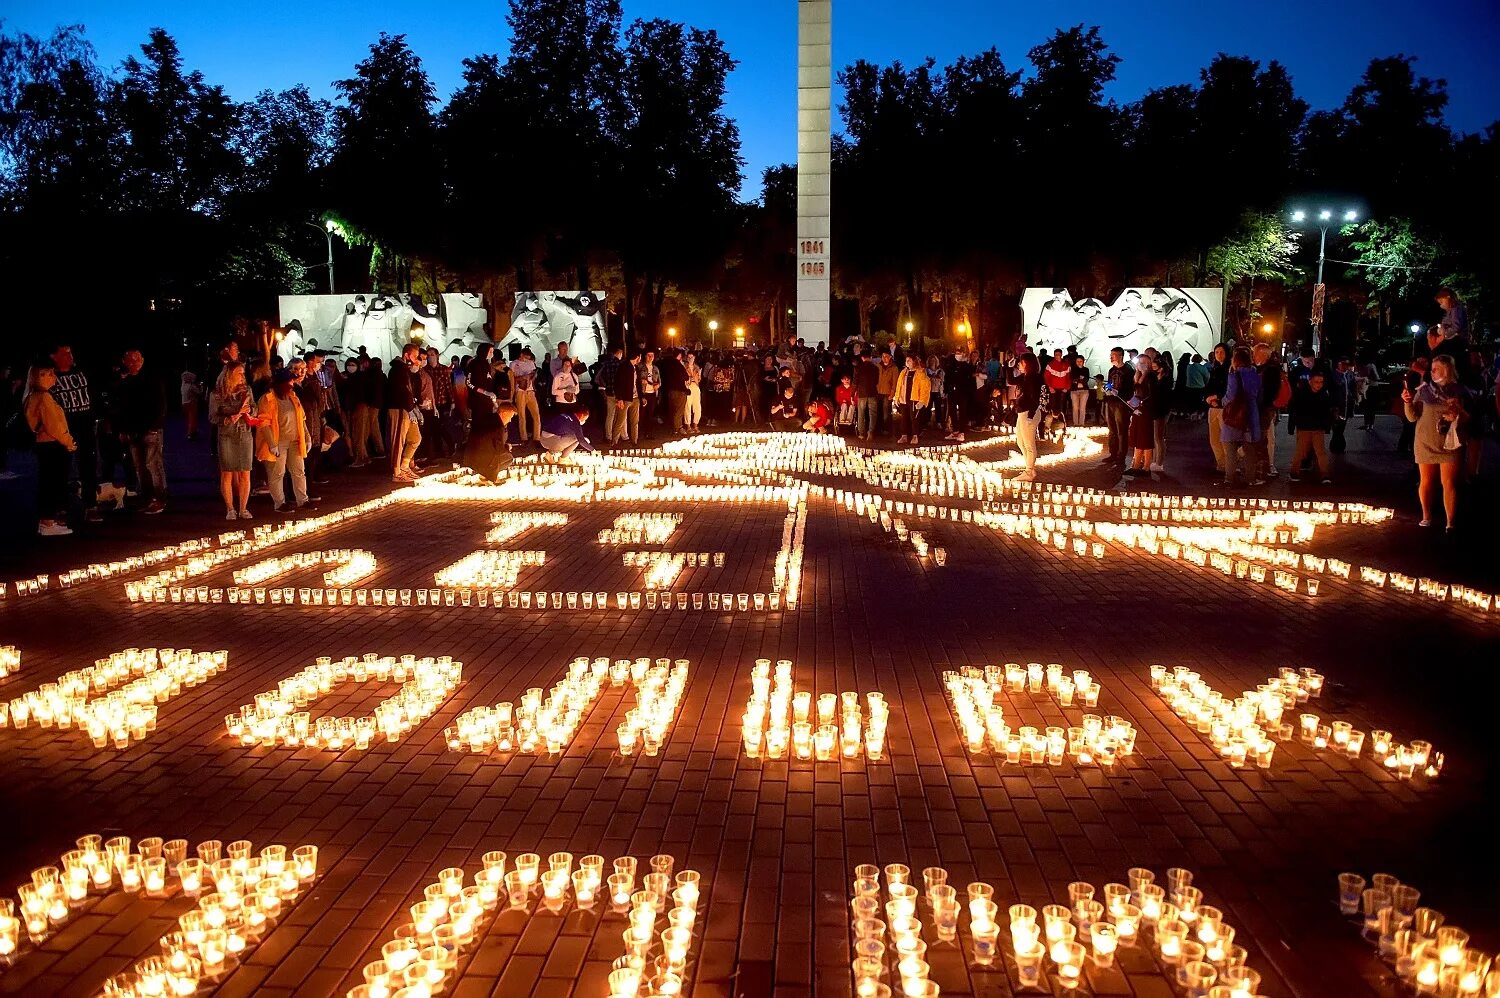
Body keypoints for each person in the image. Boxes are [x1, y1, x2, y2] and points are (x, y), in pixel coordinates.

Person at [1403, 354, 1469, 530]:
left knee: (1449, 482)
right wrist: (1407, 402)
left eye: (1435, 369)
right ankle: (1426, 515)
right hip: (1426, 442)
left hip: (1450, 442)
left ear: (1446, 370)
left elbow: (1468, 417)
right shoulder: (1424, 390)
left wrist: (1457, 414)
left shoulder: (1459, 391)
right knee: (1426, 481)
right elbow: (1411, 417)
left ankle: (1450, 522)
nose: (1431, 372)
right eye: (1431, 369)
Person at [48, 342, 101, 523]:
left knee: (88, 465)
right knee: (61, 469)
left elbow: (94, 392)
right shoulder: (50, 377)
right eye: (64, 354)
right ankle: (60, 508)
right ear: (54, 356)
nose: (70, 357)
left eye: (71, 353)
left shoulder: (81, 371)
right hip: (64, 427)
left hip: (85, 424)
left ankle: (91, 504)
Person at [23, 362, 77, 536]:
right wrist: (68, 441)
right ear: (39, 377)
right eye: (49, 374)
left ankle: (46, 522)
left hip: (44, 446)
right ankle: (48, 523)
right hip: (52, 445)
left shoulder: (33, 396)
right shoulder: (44, 397)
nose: (54, 376)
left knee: (48, 482)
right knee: (52, 484)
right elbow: (54, 425)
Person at [113, 349, 169, 514]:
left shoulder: (152, 380)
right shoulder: (125, 382)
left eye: (136, 359)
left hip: (150, 429)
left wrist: (154, 426)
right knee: (140, 467)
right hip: (133, 430)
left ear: (142, 360)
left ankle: (159, 498)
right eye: (129, 360)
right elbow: (122, 407)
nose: (133, 363)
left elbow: (160, 405)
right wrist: (123, 429)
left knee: (152, 464)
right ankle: (147, 498)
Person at [256, 368, 310, 513]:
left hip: (295, 441)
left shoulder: (293, 397)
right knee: (277, 473)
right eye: (290, 380)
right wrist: (272, 444)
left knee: (299, 471)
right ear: (282, 383)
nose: (293, 383)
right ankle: (279, 503)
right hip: (278, 442)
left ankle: (302, 500)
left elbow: (302, 419)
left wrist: (307, 436)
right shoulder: (267, 399)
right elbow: (264, 423)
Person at [210, 361, 256, 519]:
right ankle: (230, 508)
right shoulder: (217, 394)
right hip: (227, 435)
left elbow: (255, 407)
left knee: (245, 472)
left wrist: (250, 410)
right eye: (239, 373)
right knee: (227, 472)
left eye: (244, 373)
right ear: (229, 375)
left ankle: (243, 508)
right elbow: (212, 417)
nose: (243, 376)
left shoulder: (247, 390)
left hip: (244, 434)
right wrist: (230, 417)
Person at [1221, 347, 1264, 486]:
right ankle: (1250, 478)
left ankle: (1229, 478)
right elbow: (1259, 395)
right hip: (1250, 414)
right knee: (1250, 450)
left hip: (1235, 413)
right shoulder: (1255, 375)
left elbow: (1230, 396)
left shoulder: (1234, 375)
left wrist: (1223, 402)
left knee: (1230, 449)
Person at [1287, 369, 1335, 484]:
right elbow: (1294, 410)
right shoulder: (1302, 393)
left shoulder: (1323, 394)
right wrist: (1292, 425)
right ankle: (1294, 472)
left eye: (1321, 382)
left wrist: (1327, 425)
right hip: (1305, 427)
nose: (1319, 385)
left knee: (1320, 451)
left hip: (1317, 427)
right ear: (1310, 381)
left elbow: (1326, 412)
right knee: (1301, 451)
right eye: (1316, 382)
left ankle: (1324, 474)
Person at [384, 344, 422, 481]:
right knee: (398, 440)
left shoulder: (405, 370)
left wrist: (414, 408)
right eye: (415, 356)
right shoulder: (397, 370)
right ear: (407, 355)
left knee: (415, 438)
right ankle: (396, 472)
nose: (416, 359)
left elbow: (410, 390)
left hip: (407, 408)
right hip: (399, 408)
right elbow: (401, 390)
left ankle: (405, 466)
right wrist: (410, 408)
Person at [290, 358, 327, 500]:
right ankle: (296, 493)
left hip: (314, 427)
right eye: (296, 369)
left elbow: (319, 405)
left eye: (302, 369)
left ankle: (309, 489)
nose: (300, 373)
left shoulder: (311, 385)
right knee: (298, 465)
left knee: (311, 462)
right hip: (298, 429)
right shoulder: (290, 388)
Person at [1253, 342, 1285, 479]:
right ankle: (1263, 468)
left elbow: (1269, 391)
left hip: (1264, 408)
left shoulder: (1269, 370)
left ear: (1262, 354)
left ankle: (1264, 468)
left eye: (1255, 354)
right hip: (1265, 407)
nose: (1253, 357)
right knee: (1263, 438)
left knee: (1263, 438)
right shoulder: (1268, 368)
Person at [1012, 353, 1045, 481]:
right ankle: (1029, 469)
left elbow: (1034, 398)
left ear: (1027, 363)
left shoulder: (1033, 378)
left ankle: (1029, 471)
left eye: (1021, 362)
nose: (1019, 364)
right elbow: (1010, 381)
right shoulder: (1024, 377)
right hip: (1022, 413)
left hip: (1028, 413)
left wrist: (1030, 415)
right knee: (1020, 442)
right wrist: (1009, 366)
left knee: (1029, 444)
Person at [1101, 347, 1134, 468]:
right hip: (1110, 402)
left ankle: (1121, 456)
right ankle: (1112, 454)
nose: (1111, 357)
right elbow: (1110, 382)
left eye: (1113, 355)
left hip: (1121, 403)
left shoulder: (1128, 370)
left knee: (1121, 430)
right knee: (1112, 429)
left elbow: (1130, 388)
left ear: (1120, 356)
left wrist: (1119, 393)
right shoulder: (1111, 370)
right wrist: (1106, 388)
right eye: (1110, 355)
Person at [1126, 358, 1156, 477]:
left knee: (1145, 438)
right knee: (1137, 438)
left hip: (1146, 411)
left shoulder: (1150, 377)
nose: (1140, 365)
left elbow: (1152, 395)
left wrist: (1141, 404)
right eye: (1139, 362)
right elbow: (1135, 393)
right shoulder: (1136, 377)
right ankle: (1136, 465)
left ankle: (1146, 467)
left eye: (1143, 363)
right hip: (1137, 410)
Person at [893, 355, 931, 445]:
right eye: (906, 360)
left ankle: (915, 436)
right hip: (904, 399)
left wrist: (922, 400)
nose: (907, 362)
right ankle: (904, 435)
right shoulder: (903, 372)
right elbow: (899, 385)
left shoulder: (920, 373)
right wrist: (897, 397)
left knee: (914, 418)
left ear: (914, 362)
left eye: (909, 360)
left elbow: (925, 388)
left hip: (914, 399)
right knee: (904, 418)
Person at [511, 348, 542, 441]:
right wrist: (522, 378)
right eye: (525, 356)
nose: (526, 359)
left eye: (528, 357)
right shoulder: (513, 364)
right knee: (522, 416)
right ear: (521, 355)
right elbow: (512, 378)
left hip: (530, 391)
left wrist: (531, 377)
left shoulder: (531, 363)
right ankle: (523, 438)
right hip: (520, 391)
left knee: (536, 415)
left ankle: (537, 438)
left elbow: (533, 376)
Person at [612, 352, 642, 446]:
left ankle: (634, 441)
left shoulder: (635, 368)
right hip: (625, 398)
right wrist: (619, 398)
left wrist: (641, 396)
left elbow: (638, 383)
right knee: (620, 420)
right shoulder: (624, 366)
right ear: (637, 357)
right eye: (640, 357)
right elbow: (618, 382)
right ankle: (614, 442)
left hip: (635, 397)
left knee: (635, 421)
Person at [597, 344, 624, 443]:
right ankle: (621, 435)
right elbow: (621, 379)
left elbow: (602, 378)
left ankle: (608, 436)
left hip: (609, 392)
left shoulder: (606, 364)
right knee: (621, 416)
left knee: (610, 416)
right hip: (618, 393)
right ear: (619, 353)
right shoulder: (620, 364)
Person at [853, 350, 881, 441]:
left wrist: (852, 393)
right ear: (870, 357)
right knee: (873, 414)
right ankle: (871, 432)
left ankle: (861, 433)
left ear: (862, 357)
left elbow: (855, 382)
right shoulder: (875, 368)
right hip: (872, 392)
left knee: (861, 414)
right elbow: (877, 381)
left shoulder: (858, 368)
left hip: (862, 393)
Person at [661, 348, 689, 434]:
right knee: (679, 410)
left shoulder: (666, 364)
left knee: (672, 409)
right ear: (680, 355)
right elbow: (686, 376)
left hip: (670, 390)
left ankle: (673, 426)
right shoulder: (678, 365)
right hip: (680, 390)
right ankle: (677, 427)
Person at [638, 349, 662, 438]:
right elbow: (636, 379)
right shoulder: (640, 367)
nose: (650, 357)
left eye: (652, 356)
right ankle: (637, 433)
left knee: (650, 414)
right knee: (641, 414)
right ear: (645, 356)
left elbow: (660, 381)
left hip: (652, 393)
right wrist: (641, 381)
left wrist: (658, 385)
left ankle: (648, 433)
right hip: (643, 392)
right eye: (649, 355)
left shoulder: (655, 368)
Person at [875, 352, 898, 436]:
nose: (885, 358)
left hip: (887, 393)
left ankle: (886, 428)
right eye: (883, 356)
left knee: (886, 412)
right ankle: (878, 428)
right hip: (878, 392)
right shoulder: (878, 366)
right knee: (878, 411)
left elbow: (894, 382)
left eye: (887, 356)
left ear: (890, 357)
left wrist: (892, 393)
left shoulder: (894, 368)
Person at [1044, 349, 1071, 418]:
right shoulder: (1050, 365)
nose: (1057, 356)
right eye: (1056, 355)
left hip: (1063, 389)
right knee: (1053, 405)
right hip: (1053, 389)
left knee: (1062, 405)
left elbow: (1069, 377)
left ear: (1061, 355)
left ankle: (1062, 420)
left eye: (1058, 355)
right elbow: (1046, 377)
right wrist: (1050, 387)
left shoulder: (1066, 365)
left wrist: (1067, 387)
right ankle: (1052, 421)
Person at [1068, 354, 1091, 429]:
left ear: (1083, 362)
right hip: (1074, 390)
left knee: (1082, 407)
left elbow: (1086, 379)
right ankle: (1075, 423)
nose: (1079, 363)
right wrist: (1079, 381)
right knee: (1075, 407)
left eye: (1080, 361)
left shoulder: (1086, 369)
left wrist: (1079, 381)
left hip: (1084, 390)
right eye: (1077, 361)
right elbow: (1072, 379)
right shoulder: (1072, 369)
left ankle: (1081, 423)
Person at [684, 351, 703, 433]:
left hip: (695, 386)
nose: (690, 359)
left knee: (697, 406)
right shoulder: (684, 367)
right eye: (689, 357)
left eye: (692, 357)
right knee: (687, 406)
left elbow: (699, 379)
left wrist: (696, 377)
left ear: (694, 358)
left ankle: (695, 424)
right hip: (688, 387)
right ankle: (688, 425)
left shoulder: (697, 367)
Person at [181, 371, 202, 440]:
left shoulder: (183, 386)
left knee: (189, 419)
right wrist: (200, 387)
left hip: (184, 404)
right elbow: (199, 392)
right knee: (192, 419)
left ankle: (192, 431)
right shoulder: (191, 386)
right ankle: (190, 433)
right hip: (191, 404)